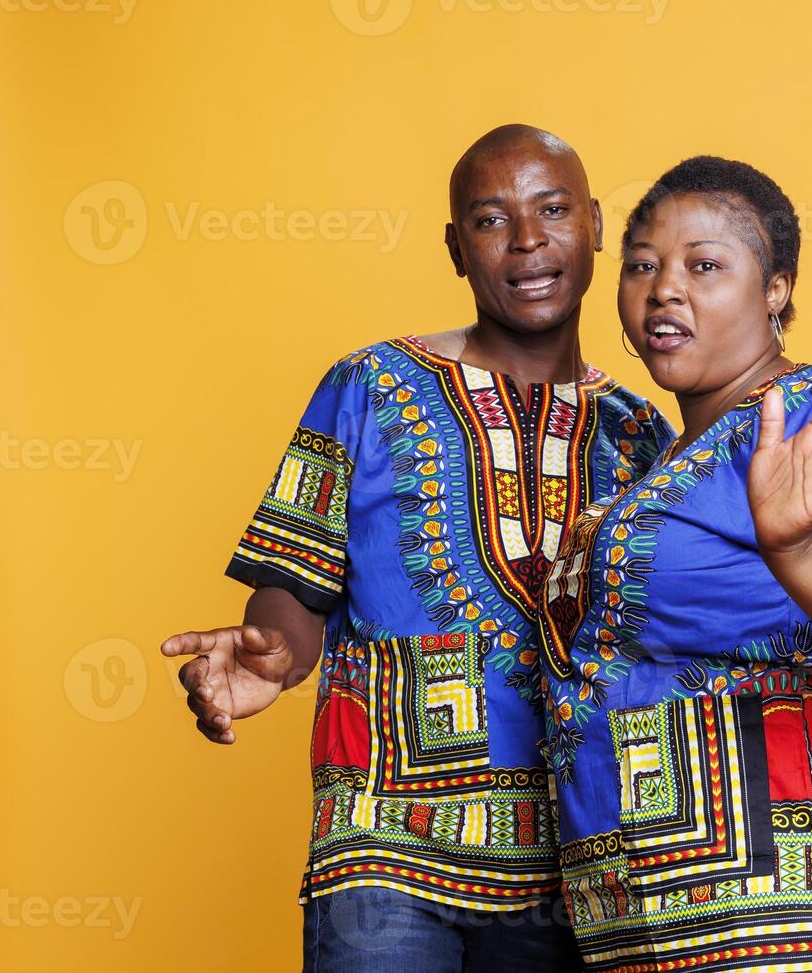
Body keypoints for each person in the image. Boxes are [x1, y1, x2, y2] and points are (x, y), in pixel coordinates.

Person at [159, 125, 676, 972]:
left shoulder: (643, 436)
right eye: (489, 220)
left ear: (594, 224)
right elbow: (293, 585)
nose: (526, 242)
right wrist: (274, 657)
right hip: (384, 844)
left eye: (551, 210)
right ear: (454, 248)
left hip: (578, 866)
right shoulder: (367, 384)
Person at [539, 156, 812, 972]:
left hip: (788, 913)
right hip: (648, 923)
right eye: (642, 265)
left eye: (705, 265)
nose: (664, 288)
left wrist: (802, 545)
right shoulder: (653, 457)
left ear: (776, 288)